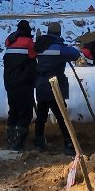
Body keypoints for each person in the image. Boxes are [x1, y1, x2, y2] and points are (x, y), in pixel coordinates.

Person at [32, 20, 80, 153]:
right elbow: (75, 55)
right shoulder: (58, 48)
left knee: (41, 115)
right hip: (54, 86)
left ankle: (39, 142)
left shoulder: (40, 46)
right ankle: (69, 144)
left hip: (41, 85)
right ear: (59, 33)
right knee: (62, 115)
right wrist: (63, 45)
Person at [1, 20, 38, 152]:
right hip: (23, 83)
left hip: (9, 82)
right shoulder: (28, 43)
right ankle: (18, 142)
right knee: (25, 112)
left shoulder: (10, 41)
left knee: (13, 110)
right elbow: (34, 55)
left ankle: (10, 140)